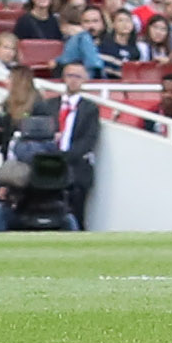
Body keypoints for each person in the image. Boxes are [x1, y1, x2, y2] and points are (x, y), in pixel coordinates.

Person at [49, 61, 101, 227]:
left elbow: (89, 139)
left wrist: (65, 158)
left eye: (77, 76)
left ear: (84, 79)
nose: (73, 80)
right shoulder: (49, 105)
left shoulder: (90, 108)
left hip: (76, 168)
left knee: (76, 214)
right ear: (63, 77)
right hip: (49, 168)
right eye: (70, 75)